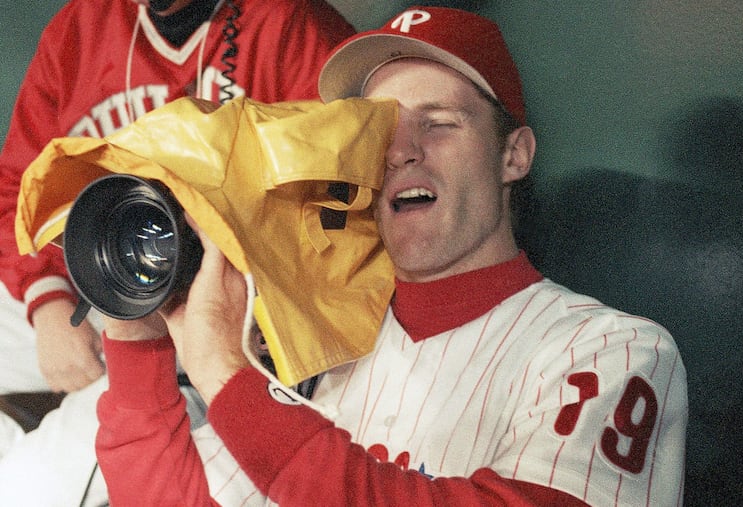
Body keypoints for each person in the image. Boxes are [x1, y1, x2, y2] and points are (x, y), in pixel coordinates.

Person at [95, 6, 688, 506]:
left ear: (514, 155)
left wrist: (226, 375)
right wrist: (136, 345)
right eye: (376, 133)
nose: (401, 151)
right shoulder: (327, 336)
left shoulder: (615, 350)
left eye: (439, 124)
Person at [0, 0, 354, 504]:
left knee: (22, 491)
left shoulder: (290, 24)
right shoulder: (80, 26)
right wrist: (46, 296)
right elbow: (18, 184)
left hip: (210, 329)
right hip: (98, 281)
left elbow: (341, 217)